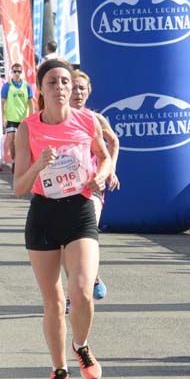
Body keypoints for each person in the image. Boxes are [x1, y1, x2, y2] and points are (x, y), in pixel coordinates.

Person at [13, 59, 113, 379]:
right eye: (53, 82)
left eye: (65, 82)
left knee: (81, 291)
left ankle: (81, 345)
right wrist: (39, 165)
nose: (60, 88)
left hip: (79, 209)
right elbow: (19, 187)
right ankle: (59, 371)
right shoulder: (27, 129)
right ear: (41, 89)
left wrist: (102, 174)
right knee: (53, 302)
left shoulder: (87, 120)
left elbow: (105, 155)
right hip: (43, 213)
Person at [70, 69, 120, 304]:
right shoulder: (57, 119)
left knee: (86, 233)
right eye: (74, 87)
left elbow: (114, 142)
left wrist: (110, 170)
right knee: (68, 241)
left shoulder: (95, 119)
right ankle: (91, 277)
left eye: (82, 88)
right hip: (66, 187)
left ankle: (76, 292)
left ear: (89, 91)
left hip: (93, 186)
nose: (78, 92)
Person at [2, 62, 36, 166]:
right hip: (11, 118)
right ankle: (14, 161)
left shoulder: (26, 86)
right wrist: (3, 118)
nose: (17, 73)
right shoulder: (7, 86)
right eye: (15, 71)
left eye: (19, 71)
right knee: (11, 140)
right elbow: (2, 103)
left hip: (23, 119)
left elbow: (31, 103)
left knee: (23, 141)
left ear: (22, 73)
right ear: (11, 72)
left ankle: (24, 161)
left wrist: (31, 117)